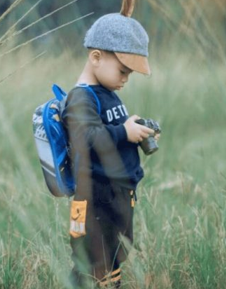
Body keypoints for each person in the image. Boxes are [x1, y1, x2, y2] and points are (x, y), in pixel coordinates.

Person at [61, 4, 157, 288]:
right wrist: (123, 132)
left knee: (114, 253)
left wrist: (136, 129)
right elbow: (89, 137)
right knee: (92, 260)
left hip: (116, 195)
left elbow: (112, 129)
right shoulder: (81, 98)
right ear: (96, 57)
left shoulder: (107, 91)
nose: (126, 78)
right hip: (95, 198)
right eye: (123, 71)